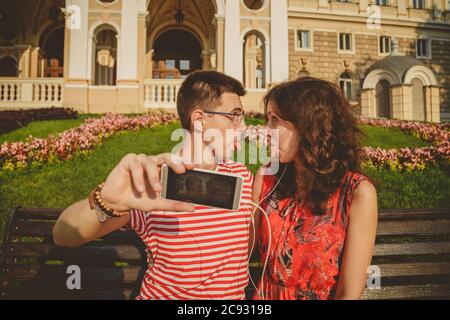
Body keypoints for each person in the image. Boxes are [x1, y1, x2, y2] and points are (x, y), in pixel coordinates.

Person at [53, 71, 254, 300]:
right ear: (199, 120)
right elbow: (63, 235)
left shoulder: (243, 177)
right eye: (235, 115)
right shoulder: (152, 179)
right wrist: (107, 203)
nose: (244, 126)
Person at [251, 77, 378, 300]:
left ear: (306, 123)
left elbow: (349, 293)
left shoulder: (357, 193)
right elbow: (241, 251)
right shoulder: (267, 178)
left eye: (275, 120)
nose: (266, 130)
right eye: (267, 119)